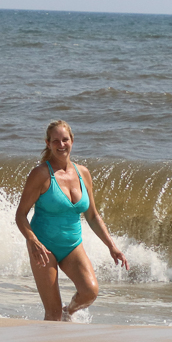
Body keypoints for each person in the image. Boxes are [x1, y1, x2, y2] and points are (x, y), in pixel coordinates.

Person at [15, 120, 128, 321]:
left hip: (71, 245)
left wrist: (112, 247)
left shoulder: (83, 173)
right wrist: (32, 241)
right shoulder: (41, 174)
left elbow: (92, 216)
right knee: (52, 313)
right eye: (55, 141)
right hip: (43, 247)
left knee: (90, 292)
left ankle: (70, 312)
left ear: (72, 141)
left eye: (65, 139)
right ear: (48, 143)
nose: (61, 145)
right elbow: (20, 215)